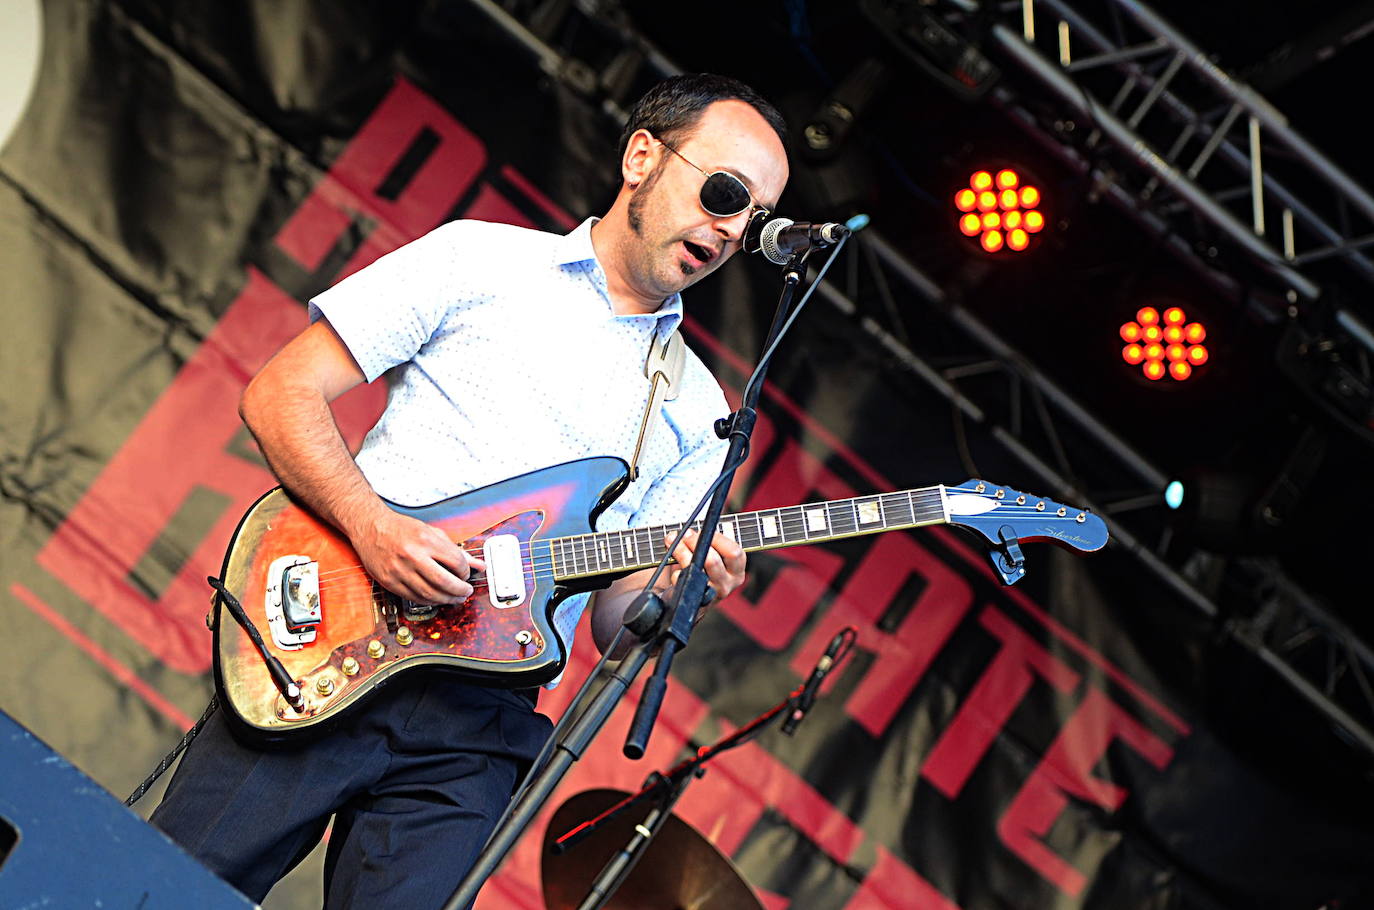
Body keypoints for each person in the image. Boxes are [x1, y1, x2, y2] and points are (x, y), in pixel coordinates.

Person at [150, 73, 790, 908]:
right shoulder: (478, 258)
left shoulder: (702, 410)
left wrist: (677, 591)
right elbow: (281, 394)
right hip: (332, 642)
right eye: (724, 192)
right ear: (642, 157)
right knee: (161, 892)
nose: (733, 228)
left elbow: (611, 627)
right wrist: (371, 526)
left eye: (755, 217)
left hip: (478, 728)